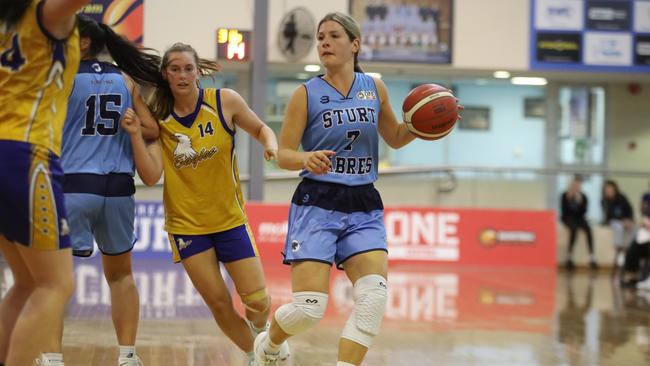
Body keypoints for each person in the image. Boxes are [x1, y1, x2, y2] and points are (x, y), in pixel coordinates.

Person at [254, 12, 460, 366]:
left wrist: (425, 124)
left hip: (363, 201)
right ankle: (268, 343)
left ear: (355, 44)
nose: (324, 43)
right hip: (317, 200)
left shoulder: (374, 87)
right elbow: (283, 155)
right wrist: (307, 157)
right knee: (309, 308)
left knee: (373, 297)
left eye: (333, 36)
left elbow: (394, 137)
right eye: (320, 38)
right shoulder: (306, 94)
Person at [130, 42, 289, 364]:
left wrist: (270, 145)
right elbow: (149, 175)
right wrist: (134, 134)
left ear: (198, 72)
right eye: (174, 69)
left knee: (258, 302)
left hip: (230, 220)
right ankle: (256, 356)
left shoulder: (224, 101)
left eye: (188, 68)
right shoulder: (161, 120)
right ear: (166, 75)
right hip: (187, 226)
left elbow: (260, 128)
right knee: (218, 303)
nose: (182, 75)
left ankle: (263, 335)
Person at [59, 16, 162, 366]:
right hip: (118, 189)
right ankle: (128, 355)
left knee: (53, 281)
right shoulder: (126, 79)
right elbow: (152, 129)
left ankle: (51, 356)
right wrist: (128, 128)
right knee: (121, 277)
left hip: (74, 186)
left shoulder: (63, 77)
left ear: (84, 42)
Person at [0, 1, 89, 365]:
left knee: (26, 282)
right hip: (26, 154)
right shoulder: (46, 13)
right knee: (57, 284)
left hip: (7, 153)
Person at [561, 176, 597, 270]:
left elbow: (584, 212)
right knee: (573, 229)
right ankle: (569, 257)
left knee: (588, 229)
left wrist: (579, 201)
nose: (575, 187)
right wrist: (568, 200)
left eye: (578, 185)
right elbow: (564, 211)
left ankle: (591, 256)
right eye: (574, 184)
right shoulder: (564, 195)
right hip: (568, 218)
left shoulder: (583, 197)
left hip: (580, 218)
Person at [602, 180, 634, 275]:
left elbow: (629, 209)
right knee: (618, 226)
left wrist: (629, 220)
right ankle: (619, 250)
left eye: (610, 188)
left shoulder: (622, 198)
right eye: (606, 188)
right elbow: (608, 216)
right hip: (613, 222)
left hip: (625, 220)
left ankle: (628, 250)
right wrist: (622, 220)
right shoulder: (604, 201)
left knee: (632, 228)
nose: (608, 190)